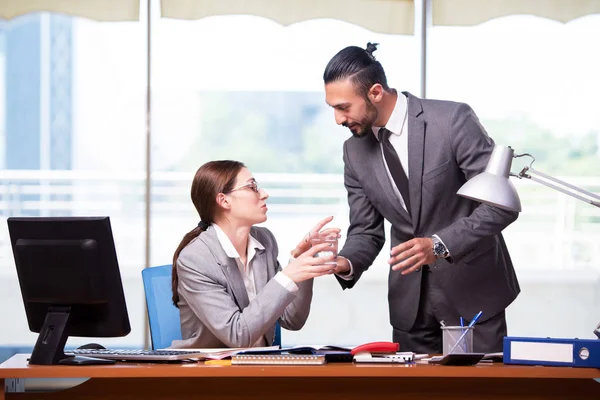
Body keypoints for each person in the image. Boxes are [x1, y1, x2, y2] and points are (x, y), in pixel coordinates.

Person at [323, 43, 520, 354]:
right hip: (409, 308)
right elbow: (365, 230)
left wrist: (438, 245)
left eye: (343, 107)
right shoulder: (354, 151)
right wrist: (343, 261)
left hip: (473, 293)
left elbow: (500, 206)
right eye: (332, 108)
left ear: (375, 92)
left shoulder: (453, 119)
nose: (337, 119)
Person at [170, 160, 340, 348]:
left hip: (259, 367)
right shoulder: (195, 259)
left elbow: (292, 320)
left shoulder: (265, 241)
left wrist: (301, 264)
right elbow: (237, 336)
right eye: (252, 187)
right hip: (213, 372)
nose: (264, 194)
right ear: (224, 200)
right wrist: (287, 276)